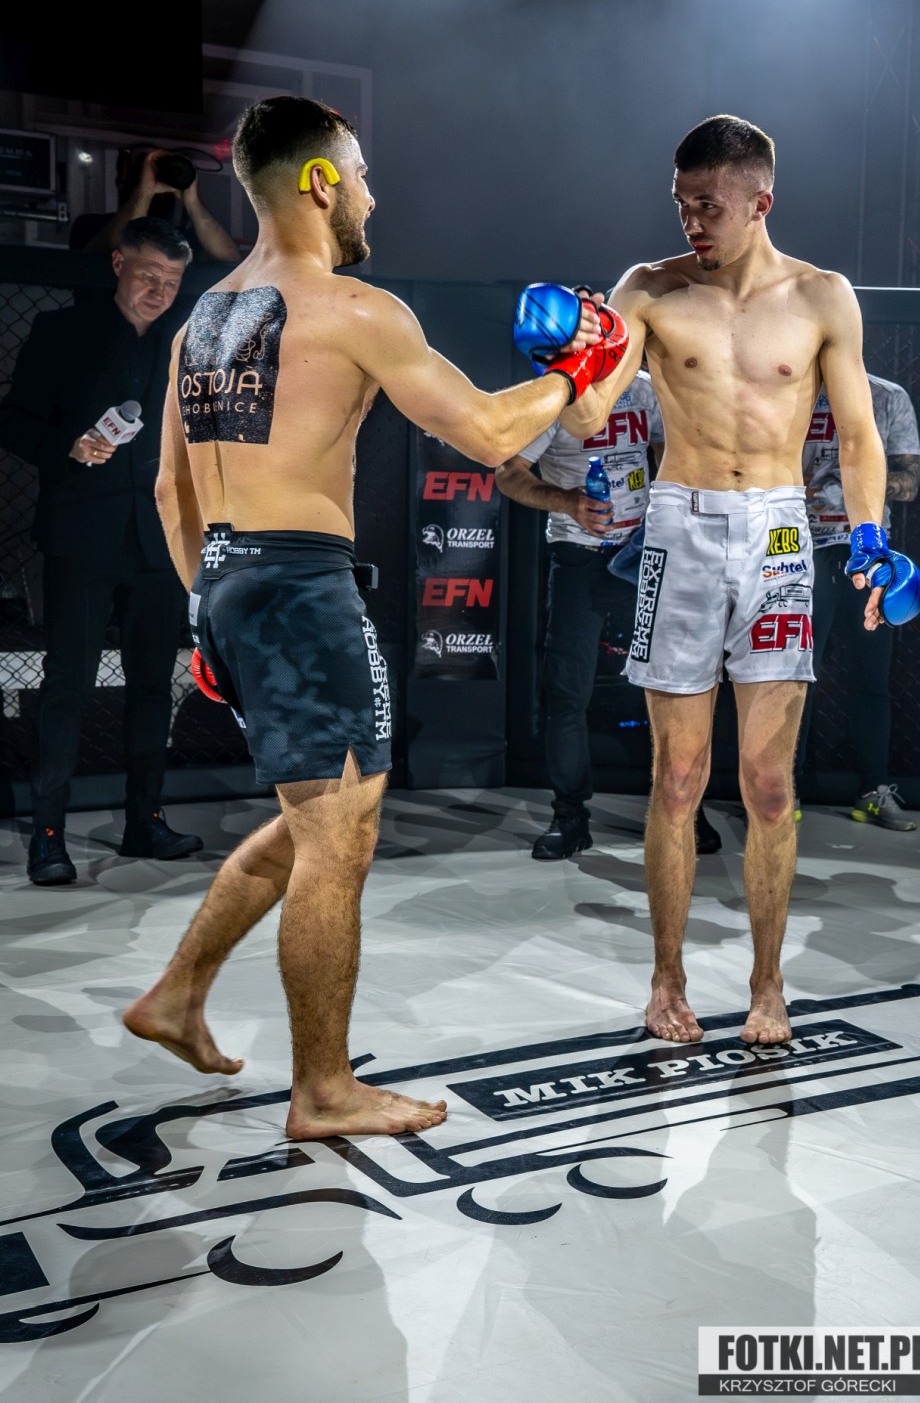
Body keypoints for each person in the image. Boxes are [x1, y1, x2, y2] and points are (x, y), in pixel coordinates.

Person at [122, 95, 616, 1140]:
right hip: (300, 587)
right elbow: (488, 433)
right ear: (318, 182)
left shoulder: (202, 317)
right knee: (339, 841)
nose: (371, 196)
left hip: (225, 578)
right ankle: (324, 1089)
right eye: (359, 174)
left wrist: (205, 609)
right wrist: (575, 373)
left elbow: (170, 489)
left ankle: (176, 996)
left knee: (316, 816)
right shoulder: (354, 309)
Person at [559, 113, 915, 1047]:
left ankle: (768, 985)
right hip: (678, 523)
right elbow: (591, 416)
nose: (691, 221)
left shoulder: (823, 296)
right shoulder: (647, 288)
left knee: (767, 782)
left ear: (760, 202)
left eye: (708, 204)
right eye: (681, 204)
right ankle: (666, 981)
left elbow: (860, 434)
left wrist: (870, 538)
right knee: (677, 777)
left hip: (782, 531)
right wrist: (568, 359)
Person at [0, 217, 205, 885]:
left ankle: (145, 822)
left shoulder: (189, 341)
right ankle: (48, 837)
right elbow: (13, 420)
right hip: (82, 535)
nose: (159, 290)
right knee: (68, 684)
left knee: (153, 685)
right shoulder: (63, 332)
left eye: (171, 280)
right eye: (148, 275)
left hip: (160, 539)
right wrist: (69, 445)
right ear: (118, 265)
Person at [495, 376, 723, 859]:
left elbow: (668, 448)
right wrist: (568, 502)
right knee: (567, 691)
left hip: (644, 553)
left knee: (676, 689)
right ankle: (569, 815)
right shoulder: (556, 394)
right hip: (579, 555)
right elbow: (508, 473)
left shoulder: (645, 388)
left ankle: (684, 809)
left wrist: (670, 509)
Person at [795, 374, 920, 828]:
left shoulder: (887, 396)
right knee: (794, 676)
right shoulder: (794, 388)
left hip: (868, 554)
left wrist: (856, 484)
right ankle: (782, 790)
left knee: (872, 676)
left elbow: (910, 482)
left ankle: (873, 791)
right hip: (802, 548)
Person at [71, 146, 240, 263]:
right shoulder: (89, 225)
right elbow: (109, 252)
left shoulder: (184, 239)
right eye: (144, 168)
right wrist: (145, 191)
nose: (155, 176)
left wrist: (192, 201)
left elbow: (229, 259)